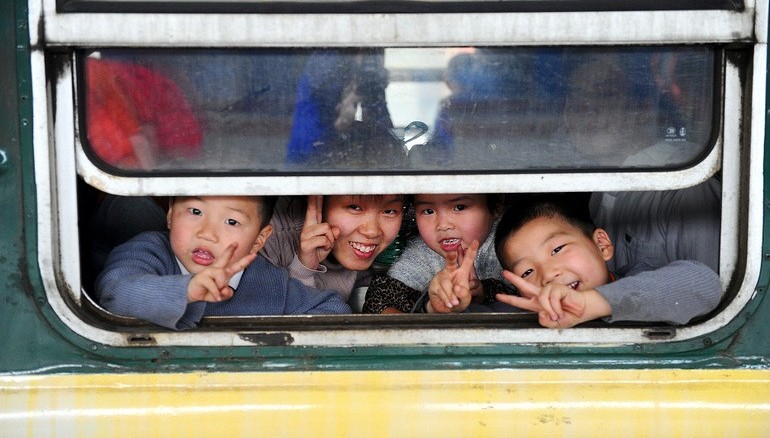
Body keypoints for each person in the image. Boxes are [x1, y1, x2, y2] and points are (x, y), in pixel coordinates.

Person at [94, 195, 350, 330]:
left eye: (231, 222)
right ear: (171, 213)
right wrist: (187, 290)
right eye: (195, 212)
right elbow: (113, 291)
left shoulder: (268, 280)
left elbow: (332, 310)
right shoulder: (150, 250)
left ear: (260, 240)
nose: (207, 233)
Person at [491, 195, 722, 328]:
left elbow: (705, 284)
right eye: (526, 272)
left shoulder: (640, 279)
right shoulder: (522, 313)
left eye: (558, 249)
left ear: (602, 245)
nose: (548, 274)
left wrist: (591, 304)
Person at [362, 193, 514, 314]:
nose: (443, 225)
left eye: (459, 207)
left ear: (496, 205)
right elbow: (378, 302)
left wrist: (487, 292)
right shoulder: (421, 253)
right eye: (428, 211)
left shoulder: (514, 239)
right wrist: (431, 306)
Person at [259, 194, 405, 303]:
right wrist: (303, 271)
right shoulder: (268, 235)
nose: (372, 231)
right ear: (320, 200)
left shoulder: (370, 259)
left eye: (390, 211)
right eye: (354, 207)